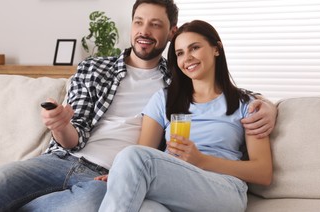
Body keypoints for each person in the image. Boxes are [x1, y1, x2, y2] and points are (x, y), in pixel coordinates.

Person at [0, 0, 275, 212]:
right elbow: (73, 136)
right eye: (139, 22)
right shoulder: (96, 69)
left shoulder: (175, 82)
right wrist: (61, 125)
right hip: (62, 159)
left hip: (109, 178)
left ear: (170, 31)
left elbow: (218, 91)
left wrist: (269, 104)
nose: (144, 31)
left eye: (156, 25)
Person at [98, 20, 273, 212]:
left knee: (133, 156)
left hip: (223, 189)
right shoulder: (163, 99)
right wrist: (123, 175)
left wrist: (201, 161)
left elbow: (263, 172)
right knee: (146, 208)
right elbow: (144, 152)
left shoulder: (246, 104)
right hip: (173, 183)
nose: (187, 58)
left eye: (194, 48)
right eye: (180, 53)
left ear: (216, 49)